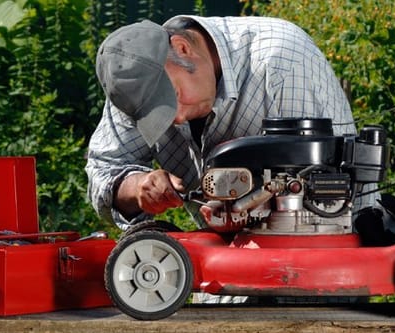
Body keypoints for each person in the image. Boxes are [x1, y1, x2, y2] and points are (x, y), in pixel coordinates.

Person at [85, 15, 377, 231]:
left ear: (183, 49)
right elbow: (104, 169)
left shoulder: (280, 64)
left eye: (172, 97)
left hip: (317, 275)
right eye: (154, 115)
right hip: (223, 279)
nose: (175, 119)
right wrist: (137, 187)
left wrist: (244, 206)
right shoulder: (133, 82)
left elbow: (329, 201)